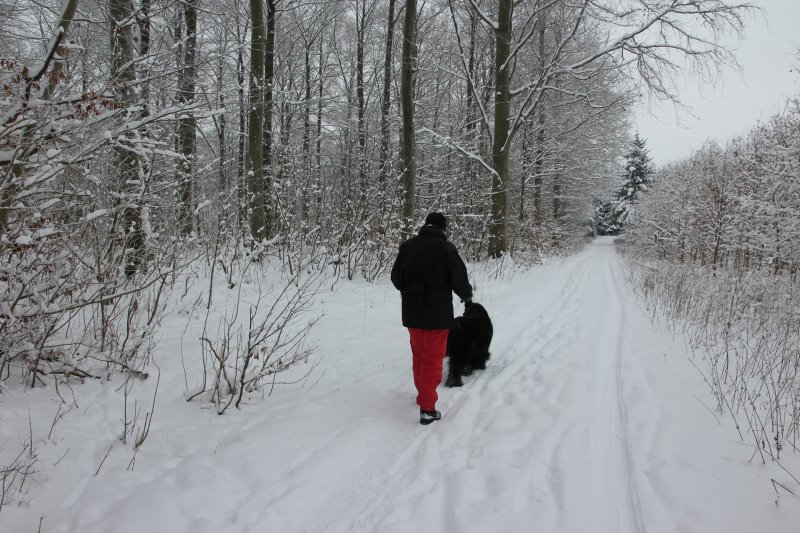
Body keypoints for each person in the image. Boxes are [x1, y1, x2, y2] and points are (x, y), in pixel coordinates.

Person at [391, 212, 473, 425]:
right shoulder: (446, 249)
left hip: (412, 313)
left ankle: (422, 395)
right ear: (442, 228)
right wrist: (467, 296)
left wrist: (410, 290)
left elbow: (396, 278)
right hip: (437, 317)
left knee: (419, 356)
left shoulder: (407, 247)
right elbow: (459, 280)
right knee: (432, 359)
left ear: (426, 225)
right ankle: (427, 409)